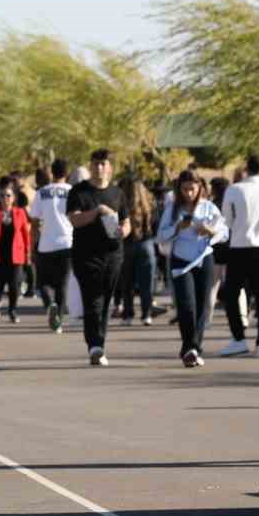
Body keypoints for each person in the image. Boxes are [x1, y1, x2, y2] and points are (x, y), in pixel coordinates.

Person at [65, 149, 130, 366]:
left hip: (113, 254)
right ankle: (95, 345)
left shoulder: (118, 193)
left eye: (103, 164)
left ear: (110, 167)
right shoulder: (78, 192)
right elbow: (74, 220)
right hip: (86, 255)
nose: (99, 168)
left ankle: (98, 342)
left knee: (105, 301)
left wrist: (124, 231)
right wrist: (96, 212)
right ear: (90, 166)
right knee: (93, 299)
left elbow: (126, 221)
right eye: (95, 164)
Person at [217, 154, 259, 359]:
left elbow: (226, 221)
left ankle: (238, 338)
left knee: (232, 294)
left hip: (239, 245)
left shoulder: (234, 189)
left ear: (246, 168)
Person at [158, 170, 227, 367]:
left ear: (200, 189)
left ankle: (194, 347)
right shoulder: (172, 209)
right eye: (185, 189)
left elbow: (223, 233)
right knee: (186, 305)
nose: (189, 193)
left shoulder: (209, 207)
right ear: (179, 189)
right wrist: (178, 228)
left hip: (203, 258)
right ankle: (189, 347)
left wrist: (209, 231)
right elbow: (161, 236)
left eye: (192, 189)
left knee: (202, 305)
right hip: (181, 260)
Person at [30, 158, 74, 332]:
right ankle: (58, 320)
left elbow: (34, 219)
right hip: (67, 242)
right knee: (62, 283)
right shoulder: (72, 191)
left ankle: (50, 304)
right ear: (67, 173)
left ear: (52, 173)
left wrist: (34, 240)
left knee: (43, 282)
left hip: (46, 244)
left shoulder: (42, 192)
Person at [0, 182, 31, 322]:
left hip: (16, 253)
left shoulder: (20, 213)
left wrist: (28, 253)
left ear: (14, 198)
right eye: (2, 195)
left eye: (8, 195)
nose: (5, 198)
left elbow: (25, 235)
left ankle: (12, 310)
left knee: (14, 284)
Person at [113, 177, 158, 325]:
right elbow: (155, 224)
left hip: (127, 245)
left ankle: (128, 315)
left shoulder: (121, 204)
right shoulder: (149, 205)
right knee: (147, 284)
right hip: (146, 244)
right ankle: (146, 314)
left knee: (127, 283)